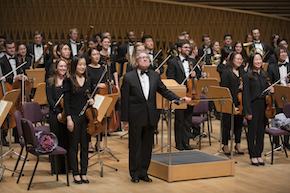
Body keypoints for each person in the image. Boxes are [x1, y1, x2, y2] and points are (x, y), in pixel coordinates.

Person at [121, 51, 191, 183]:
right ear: (136, 62)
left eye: (146, 58)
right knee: (135, 145)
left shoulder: (154, 75)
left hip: (150, 115)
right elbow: (124, 100)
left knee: (147, 146)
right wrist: (125, 120)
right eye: (141, 58)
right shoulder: (129, 77)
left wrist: (178, 99)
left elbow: (164, 91)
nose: (144, 60)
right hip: (135, 116)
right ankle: (134, 173)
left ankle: (143, 172)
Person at [64, 57, 93, 184]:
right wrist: (69, 118)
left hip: (86, 117)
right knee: (74, 146)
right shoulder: (68, 80)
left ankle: (84, 172)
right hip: (74, 116)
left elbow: (89, 97)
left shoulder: (88, 80)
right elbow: (67, 102)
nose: (82, 67)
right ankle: (75, 173)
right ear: (75, 65)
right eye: (80, 65)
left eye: (84, 65)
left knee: (85, 146)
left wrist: (91, 101)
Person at [166, 39, 197, 150]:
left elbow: (196, 77)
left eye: (189, 48)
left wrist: (195, 74)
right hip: (179, 93)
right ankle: (179, 143)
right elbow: (170, 78)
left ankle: (186, 143)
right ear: (179, 49)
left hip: (190, 93)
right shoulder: (173, 61)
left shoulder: (192, 61)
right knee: (179, 119)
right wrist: (177, 90)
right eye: (185, 47)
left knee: (188, 120)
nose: (188, 49)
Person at [243, 52, 270, 166]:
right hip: (252, 105)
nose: (258, 62)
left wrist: (270, 90)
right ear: (252, 62)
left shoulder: (264, 74)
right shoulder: (247, 76)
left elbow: (266, 91)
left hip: (263, 106)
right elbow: (246, 95)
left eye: (260, 59)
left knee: (260, 132)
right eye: (256, 60)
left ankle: (259, 154)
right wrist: (247, 111)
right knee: (252, 132)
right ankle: (253, 155)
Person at [46, 59, 69, 174]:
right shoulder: (50, 82)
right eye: (61, 66)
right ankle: (56, 168)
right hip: (55, 115)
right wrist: (58, 112)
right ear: (56, 68)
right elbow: (50, 100)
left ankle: (67, 168)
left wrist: (65, 113)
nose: (63, 68)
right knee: (56, 140)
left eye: (65, 66)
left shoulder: (69, 81)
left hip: (66, 114)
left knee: (66, 140)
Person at [220, 52, 245, 155]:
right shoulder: (226, 72)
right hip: (230, 101)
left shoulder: (243, 72)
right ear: (232, 60)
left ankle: (238, 144)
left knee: (239, 124)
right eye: (237, 59)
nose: (239, 61)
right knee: (226, 124)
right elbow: (224, 88)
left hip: (240, 102)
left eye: (241, 59)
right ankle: (225, 145)